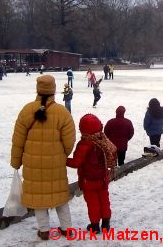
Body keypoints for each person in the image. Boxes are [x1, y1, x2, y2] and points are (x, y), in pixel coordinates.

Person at [10, 75, 76, 241]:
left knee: (39, 199)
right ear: (53, 90)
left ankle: (44, 230)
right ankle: (67, 228)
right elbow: (69, 142)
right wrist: (61, 155)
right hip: (56, 165)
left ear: (38, 89)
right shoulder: (62, 112)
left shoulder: (26, 110)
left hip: (32, 166)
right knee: (60, 197)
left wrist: (16, 162)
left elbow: (18, 141)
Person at [67, 114, 117, 234]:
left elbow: (76, 162)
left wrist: (63, 160)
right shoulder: (103, 139)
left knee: (93, 202)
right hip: (103, 178)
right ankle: (106, 223)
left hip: (89, 180)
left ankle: (95, 226)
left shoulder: (85, 144)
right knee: (104, 200)